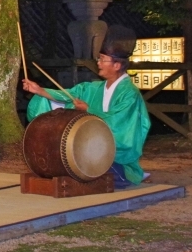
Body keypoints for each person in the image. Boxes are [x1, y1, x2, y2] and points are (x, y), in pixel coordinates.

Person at [22, 25, 150, 188]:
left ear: (117, 65)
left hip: (115, 156)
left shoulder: (129, 94)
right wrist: (40, 91)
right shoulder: (93, 88)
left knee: (100, 172)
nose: (99, 62)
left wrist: (88, 110)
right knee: (71, 164)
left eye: (103, 59)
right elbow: (68, 95)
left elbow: (120, 123)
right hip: (89, 152)